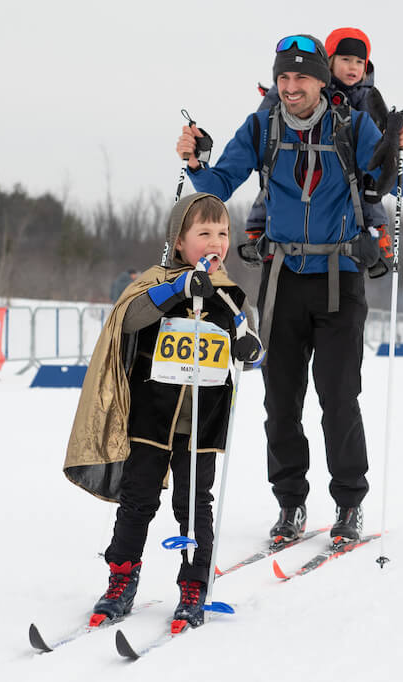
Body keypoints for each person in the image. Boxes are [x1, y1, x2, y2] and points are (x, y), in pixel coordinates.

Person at [176, 34, 403, 544]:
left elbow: (400, 184)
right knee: (280, 401)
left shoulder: (351, 124)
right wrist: (196, 163)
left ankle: (349, 503)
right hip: (282, 280)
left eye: (301, 77)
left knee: (338, 398)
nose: (290, 87)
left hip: (341, 279)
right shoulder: (262, 125)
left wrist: (401, 150)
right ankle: (291, 504)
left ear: (321, 80)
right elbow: (220, 184)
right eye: (283, 77)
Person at [63, 193, 262, 631]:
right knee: (138, 500)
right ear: (179, 240)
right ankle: (121, 577)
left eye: (223, 233)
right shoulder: (156, 283)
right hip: (150, 418)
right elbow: (129, 319)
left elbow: (249, 344)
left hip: (201, 423)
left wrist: (250, 349)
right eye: (204, 233)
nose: (216, 242)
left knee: (195, 506)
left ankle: (194, 584)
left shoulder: (230, 297)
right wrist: (175, 289)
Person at [245, 28, 394, 274]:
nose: (353, 67)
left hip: (353, 162)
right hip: (308, 152)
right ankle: (256, 230)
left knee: (367, 190)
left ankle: (379, 236)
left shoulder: (367, 96)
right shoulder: (311, 85)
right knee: (277, 181)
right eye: (345, 60)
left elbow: (378, 129)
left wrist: (391, 138)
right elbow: (270, 109)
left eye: (359, 62)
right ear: (329, 61)